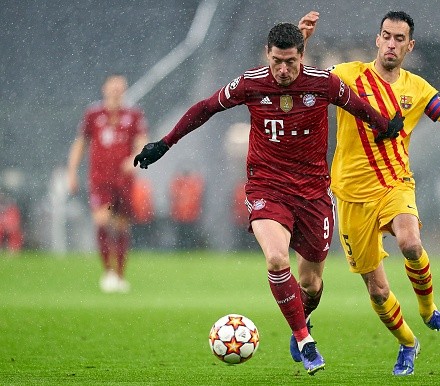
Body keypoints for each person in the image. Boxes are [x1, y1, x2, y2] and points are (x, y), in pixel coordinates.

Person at [133, 22, 402, 375]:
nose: (283, 70)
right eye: (277, 61)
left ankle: (302, 318)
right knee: (277, 259)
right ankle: (305, 339)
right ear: (267, 54)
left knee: (311, 283)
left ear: (301, 55)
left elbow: (357, 106)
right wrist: (164, 143)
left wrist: (385, 124)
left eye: (290, 61)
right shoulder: (251, 83)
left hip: (313, 193)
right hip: (266, 187)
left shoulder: (324, 84)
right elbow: (205, 107)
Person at [299, 11, 440, 376]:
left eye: (399, 38)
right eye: (386, 36)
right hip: (351, 197)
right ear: (377, 39)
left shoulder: (419, 89)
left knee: (410, 243)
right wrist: (303, 39)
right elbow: (299, 76)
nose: (391, 43)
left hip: (395, 185)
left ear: (410, 45)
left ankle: (430, 312)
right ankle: (408, 343)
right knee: (376, 290)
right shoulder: (347, 75)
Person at [67, 74, 149, 293]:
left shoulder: (134, 114)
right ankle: (108, 273)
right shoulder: (93, 114)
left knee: (121, 225)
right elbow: (80, 143)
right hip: (100, 179)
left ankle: (121, 274)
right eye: (112, 86)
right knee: (102, 219)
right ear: (104, 88)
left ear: (125, 89)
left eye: (120, 87)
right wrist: (72, 171)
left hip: (123, 180)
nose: (116, 90)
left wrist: (135, 158)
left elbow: (142, 141)